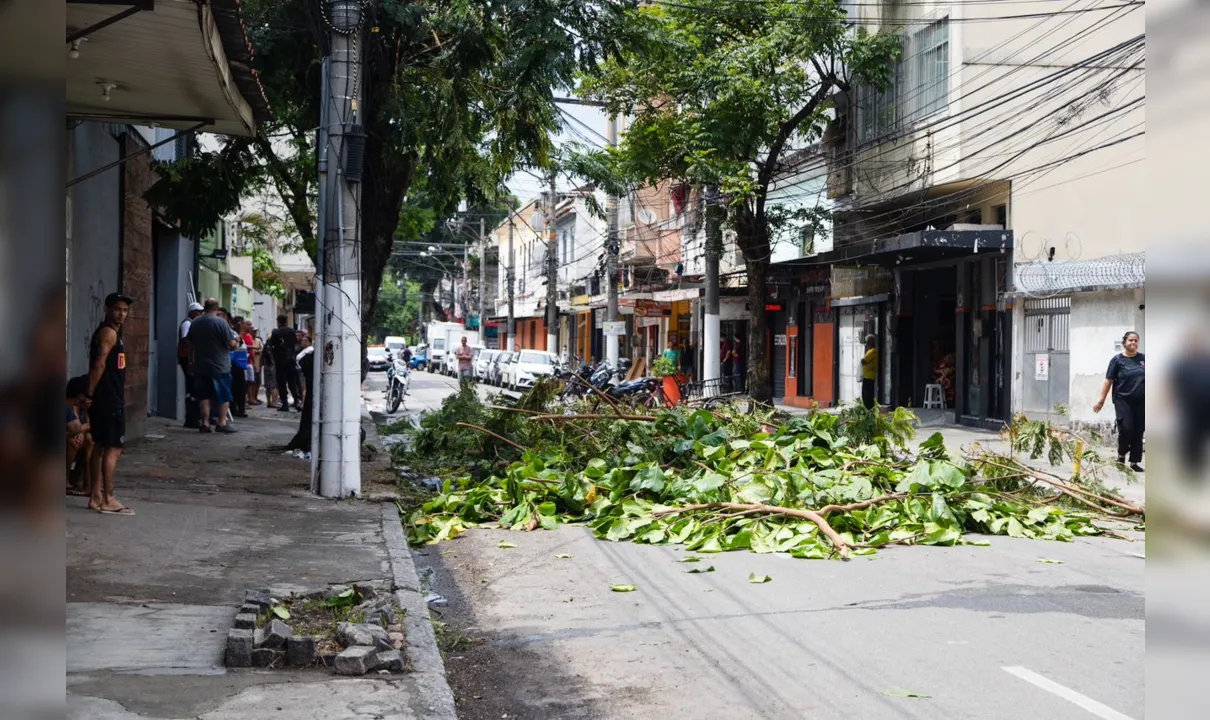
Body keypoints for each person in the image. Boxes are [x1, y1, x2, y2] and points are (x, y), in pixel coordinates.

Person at [86, 292, 134, 515]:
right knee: (113, 449)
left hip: (104, 398)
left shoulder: (112, 332)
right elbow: (99, 364)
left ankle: (96, 497)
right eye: (117, 309)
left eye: (125, 310)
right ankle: (108, 498)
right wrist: (89, 393)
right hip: (108, 399)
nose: (121, 314)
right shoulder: (109, 334)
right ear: (106, 309)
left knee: (99, 446)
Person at [1094, 330, 1145, 472]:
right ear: (1124, 342)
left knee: (1139, 431)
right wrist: (1101, 401)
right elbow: (1108, 381)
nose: (1133, 343)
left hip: (1142, 401)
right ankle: (1121, 455)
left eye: (1136, 340)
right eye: (1130, 340)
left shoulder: (1144, 359)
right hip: (1123, 400)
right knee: (1127, 429)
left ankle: (1134, 462)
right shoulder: (1117, 360)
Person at [187, 298, 239, 434]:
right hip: (220, 366)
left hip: (201, 365)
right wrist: (237, 343)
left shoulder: (195, 322)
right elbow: (232, 344)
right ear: (217, 308)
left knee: (203, 396)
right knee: (223, 395)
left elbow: (190, 344)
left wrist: (191, 361)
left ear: (204, 307)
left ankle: (205, 423)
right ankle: (222, 423)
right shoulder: (221, 323)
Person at [267, 314, 302, 411]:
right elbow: (295, 343)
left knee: (281, 383)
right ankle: (296, 401)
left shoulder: (276, 332)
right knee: (292, 382)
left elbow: (270, 345)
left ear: (278, 322)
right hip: (290, 359)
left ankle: (285, 403)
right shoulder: (291, 331)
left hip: (280, 360)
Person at [178, 301, 204, 428]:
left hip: (190, 358)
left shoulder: (193, 323)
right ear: (192, 312)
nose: (200, 314)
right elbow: (186, 340)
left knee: (193, 387)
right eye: (198, 312)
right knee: (192, 387)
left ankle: (193, 417)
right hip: (187, 358)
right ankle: (191, 418)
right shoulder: (188, 323)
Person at [66, 375, 93, 497]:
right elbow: (76, 427)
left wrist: (81, 433)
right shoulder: (69, 406)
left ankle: (87, 484)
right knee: (72, 443)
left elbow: (78, 428)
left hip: (72, 437)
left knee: (89, 440)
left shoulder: (84, 406)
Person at [229, 316, 250, 418]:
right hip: (235, 364)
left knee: (241, 387)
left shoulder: (239, 335)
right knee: (237, 387)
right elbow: (234, 347)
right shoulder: (234, 334)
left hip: (240, 363)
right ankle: (236, 409)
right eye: (244, 324)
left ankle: (240, 408)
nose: (245, 326)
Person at [246, 323, 263, 406]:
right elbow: (250, 350)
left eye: (256, 332)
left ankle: (255, 397)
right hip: (251, 363)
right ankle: (250, 398)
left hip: (257, 363)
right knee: (251, 381)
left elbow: (261, 349)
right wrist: (255, 350)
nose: (255, 333)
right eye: (254, 331)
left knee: (257, 382)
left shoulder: (258, 340)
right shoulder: (249, 338)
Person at [860, 334, 878, 409]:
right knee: (866, 395)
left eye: (867, 342)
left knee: (867, 395)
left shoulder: (872, 351)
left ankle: (869, 410)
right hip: (867, 376)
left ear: (871, 342)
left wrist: (862, 360)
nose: (866, 344)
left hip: (869, 377)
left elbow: (863, 361)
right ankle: (868, 409)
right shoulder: (870, 351)